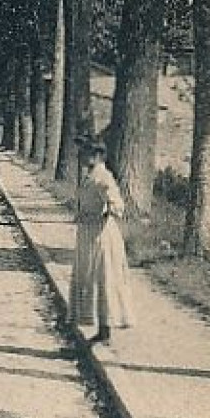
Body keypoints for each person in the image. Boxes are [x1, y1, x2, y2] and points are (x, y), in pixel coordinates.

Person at [71, 137, 134, 345]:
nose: (81, 157)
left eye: (85, 153)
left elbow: (117, 205)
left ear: (96, 155)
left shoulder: (103, 177)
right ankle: (99, 327)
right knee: (90, 277)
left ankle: (105, 328)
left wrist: (102, 213)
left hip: (101, 237)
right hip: (88, 235)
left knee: (103, 278)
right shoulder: (90, 176)